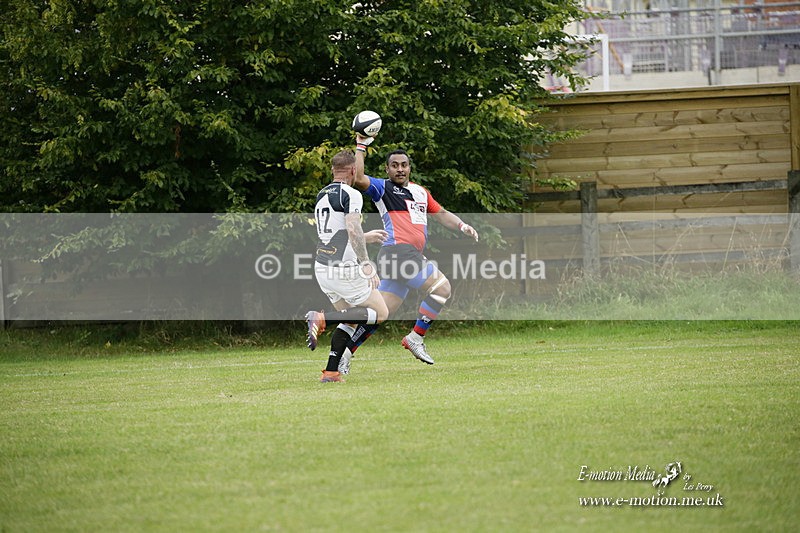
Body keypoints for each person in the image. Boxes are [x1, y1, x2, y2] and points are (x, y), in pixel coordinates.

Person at [344, 134, 479, 366]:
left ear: (410, 168)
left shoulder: (420, 192)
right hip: (399, 253)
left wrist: (462, 225)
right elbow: (357, 177)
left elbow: (442, 213)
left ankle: (342, 355)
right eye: (394, 166)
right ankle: (415, 337)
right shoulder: (383, 188)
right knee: (442, 288)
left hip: (403, 256)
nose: (400, 169)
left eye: (404, 165)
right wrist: (361, 146)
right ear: (387, 169)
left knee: (379, 313)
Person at [304, 150, 389, 383]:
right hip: (344, 269)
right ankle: (322, 319)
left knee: (350, 319)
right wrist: (367, 264)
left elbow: (339, 232)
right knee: (380, 313)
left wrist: (366, 236)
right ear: (353, 170)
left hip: (323, 268)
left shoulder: (322, 194)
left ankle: (331, 372)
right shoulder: (351, 194)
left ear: (333, 170)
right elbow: (352, 229)